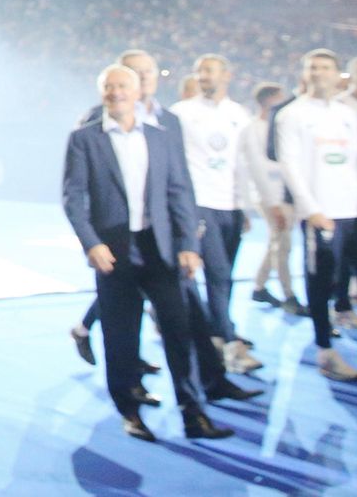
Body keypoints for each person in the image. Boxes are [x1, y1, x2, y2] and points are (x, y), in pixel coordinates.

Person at [62, 64, 231, 443]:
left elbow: (180, 192)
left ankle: (192, 411)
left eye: (123, 86)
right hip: (114, 251)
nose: (116, 92)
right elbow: (74, 198)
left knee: (179, 331)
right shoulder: (84, 139)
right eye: (109, 87)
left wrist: (188, 244)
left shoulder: (161, 136)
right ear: (102, 92)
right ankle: (130, 410)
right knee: (121, 337)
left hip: (162, 251)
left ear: (138, 92)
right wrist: (92, 242)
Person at [276, 49, 357, 381]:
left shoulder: (346, 114)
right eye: (312, 67)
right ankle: (326, 352)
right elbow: (289, 165)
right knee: (321, 283)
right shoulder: (292, 115)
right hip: (322, 213)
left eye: (325, 67)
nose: (319, 72)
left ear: (336, 75)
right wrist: (311, 209)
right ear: (304, 73)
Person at [170, 54, 263, 373]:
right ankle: (227, 342)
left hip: (232, 206)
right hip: (200, 204)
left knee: (225, 276)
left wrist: (246, 206)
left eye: (209, 71)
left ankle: (215, 334)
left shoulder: (239, 114)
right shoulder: (181, 113)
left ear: (227, 74)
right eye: (199, 71)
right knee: (218, 274)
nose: (203, 76)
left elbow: (244, 164)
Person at [241, 83, 301, 314]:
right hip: (270, 195)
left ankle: (259, 286)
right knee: (282, 244)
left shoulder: (281, 125)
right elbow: (258, 167)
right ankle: (289, 295)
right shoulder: (254, 128)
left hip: (285, 193)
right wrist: (273, 202)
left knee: (277, 242)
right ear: (268, 101)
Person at [331, 56, 357, 332]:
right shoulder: (340, 107)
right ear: (351, 74)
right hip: (352, 193)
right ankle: (342, 307)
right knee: (348, 256)